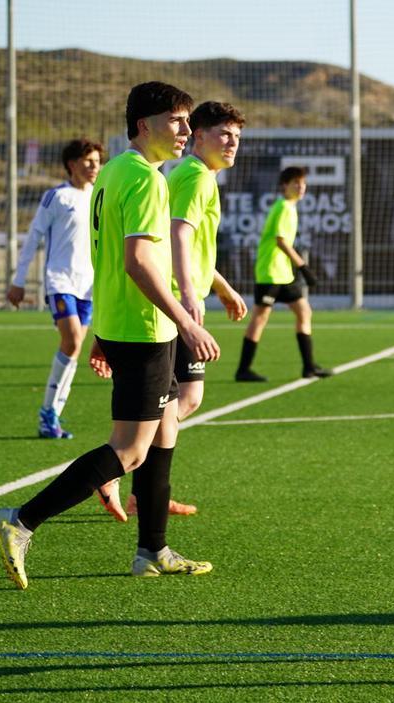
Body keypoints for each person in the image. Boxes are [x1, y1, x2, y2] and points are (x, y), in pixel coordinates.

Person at [0, 81, 220, 589]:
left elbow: (106, 254)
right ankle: (21, 520)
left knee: (165, 432)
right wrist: (185, 321)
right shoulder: (144, 179)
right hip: (144, 329)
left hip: (120, 324)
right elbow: (137, 260)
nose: (185, 130)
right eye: (177, 120)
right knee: (132, 449)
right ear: (145, 125)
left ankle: (153, 550)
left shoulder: (114, 172)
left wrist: (100, 333)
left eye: (187, 121)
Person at [105, 101, 249, 519]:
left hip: (182, 299)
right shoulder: (194, 176)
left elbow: (191, 244)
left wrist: (219, 286)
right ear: (199, 136)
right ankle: (122, 470)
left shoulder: (196, 176)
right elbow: (178, 236)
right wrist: (189, 295)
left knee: (179, 401)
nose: (232, 143)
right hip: (173, 305)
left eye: (237, 136)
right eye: (223, 134)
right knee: (181, 399)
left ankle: (142, 486)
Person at [7, 138, 104, 439]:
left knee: (73, 351)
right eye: (88, 161)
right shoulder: (56, 197)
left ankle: (53, 415)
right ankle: (48, 412)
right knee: (73, 340)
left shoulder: (100, 196)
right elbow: (34, 236)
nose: (94, 167)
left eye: (98, 162)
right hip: (60, 280)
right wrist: (18, 280)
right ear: (72, 164)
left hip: (88, 286)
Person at [234, 166, 330, 382]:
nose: (301, 186)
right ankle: (243, 369)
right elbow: (281, 241)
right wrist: (304, 267)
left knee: (304, 312)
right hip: (270, 272)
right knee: (260, 318)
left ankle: (309, 366)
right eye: (296, 182)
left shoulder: (289, 207)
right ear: (284, 186)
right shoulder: (284, 207)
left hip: (284, 274)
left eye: (303, 183)